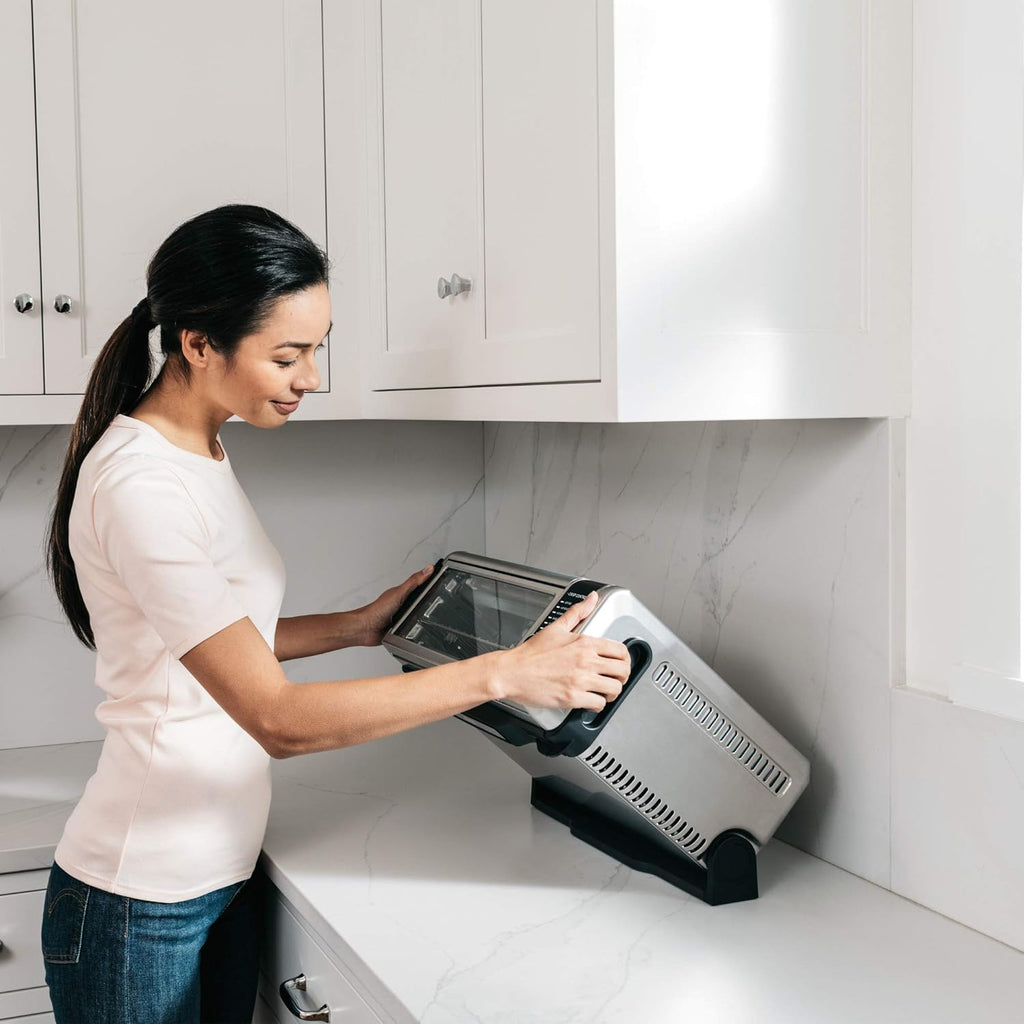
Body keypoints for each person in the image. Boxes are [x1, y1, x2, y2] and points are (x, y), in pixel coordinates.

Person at [41, 204, 630, 1024]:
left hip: (220, 873)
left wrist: (358, 625)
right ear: (199, 344)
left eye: (317, 349)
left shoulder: (198, 450)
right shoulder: (141, 484)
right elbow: (276, 719)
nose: (310, 376)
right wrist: (506, 673)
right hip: (139, 900)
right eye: (287, 356)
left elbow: (210, 643)